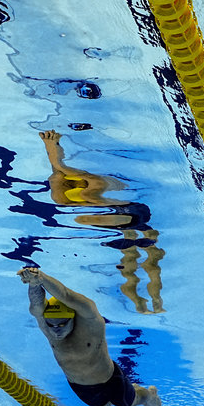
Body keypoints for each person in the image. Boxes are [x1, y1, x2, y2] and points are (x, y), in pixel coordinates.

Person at [40, 130, 165, 314]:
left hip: (121, 215)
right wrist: (51, 147)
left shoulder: (76, 191)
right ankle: (152, 300)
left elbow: (58, 167)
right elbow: (58, 166)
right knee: (144, 256)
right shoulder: (88, 185)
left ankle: (150, 299)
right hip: (123, 214)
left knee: (137, 256)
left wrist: (51, 147)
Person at [18, 267, 160, 406]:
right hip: (81, 387)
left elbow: (67, 295)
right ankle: (128, 391)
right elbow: (36, 307)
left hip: (110, 380)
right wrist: (33, 283)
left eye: (62, 324)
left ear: (72, 318)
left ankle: (148, 395)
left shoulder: (90, 321)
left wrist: (41, 277)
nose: (56, 330)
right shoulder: (48, 327)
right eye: (52, 325)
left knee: (130, 404)